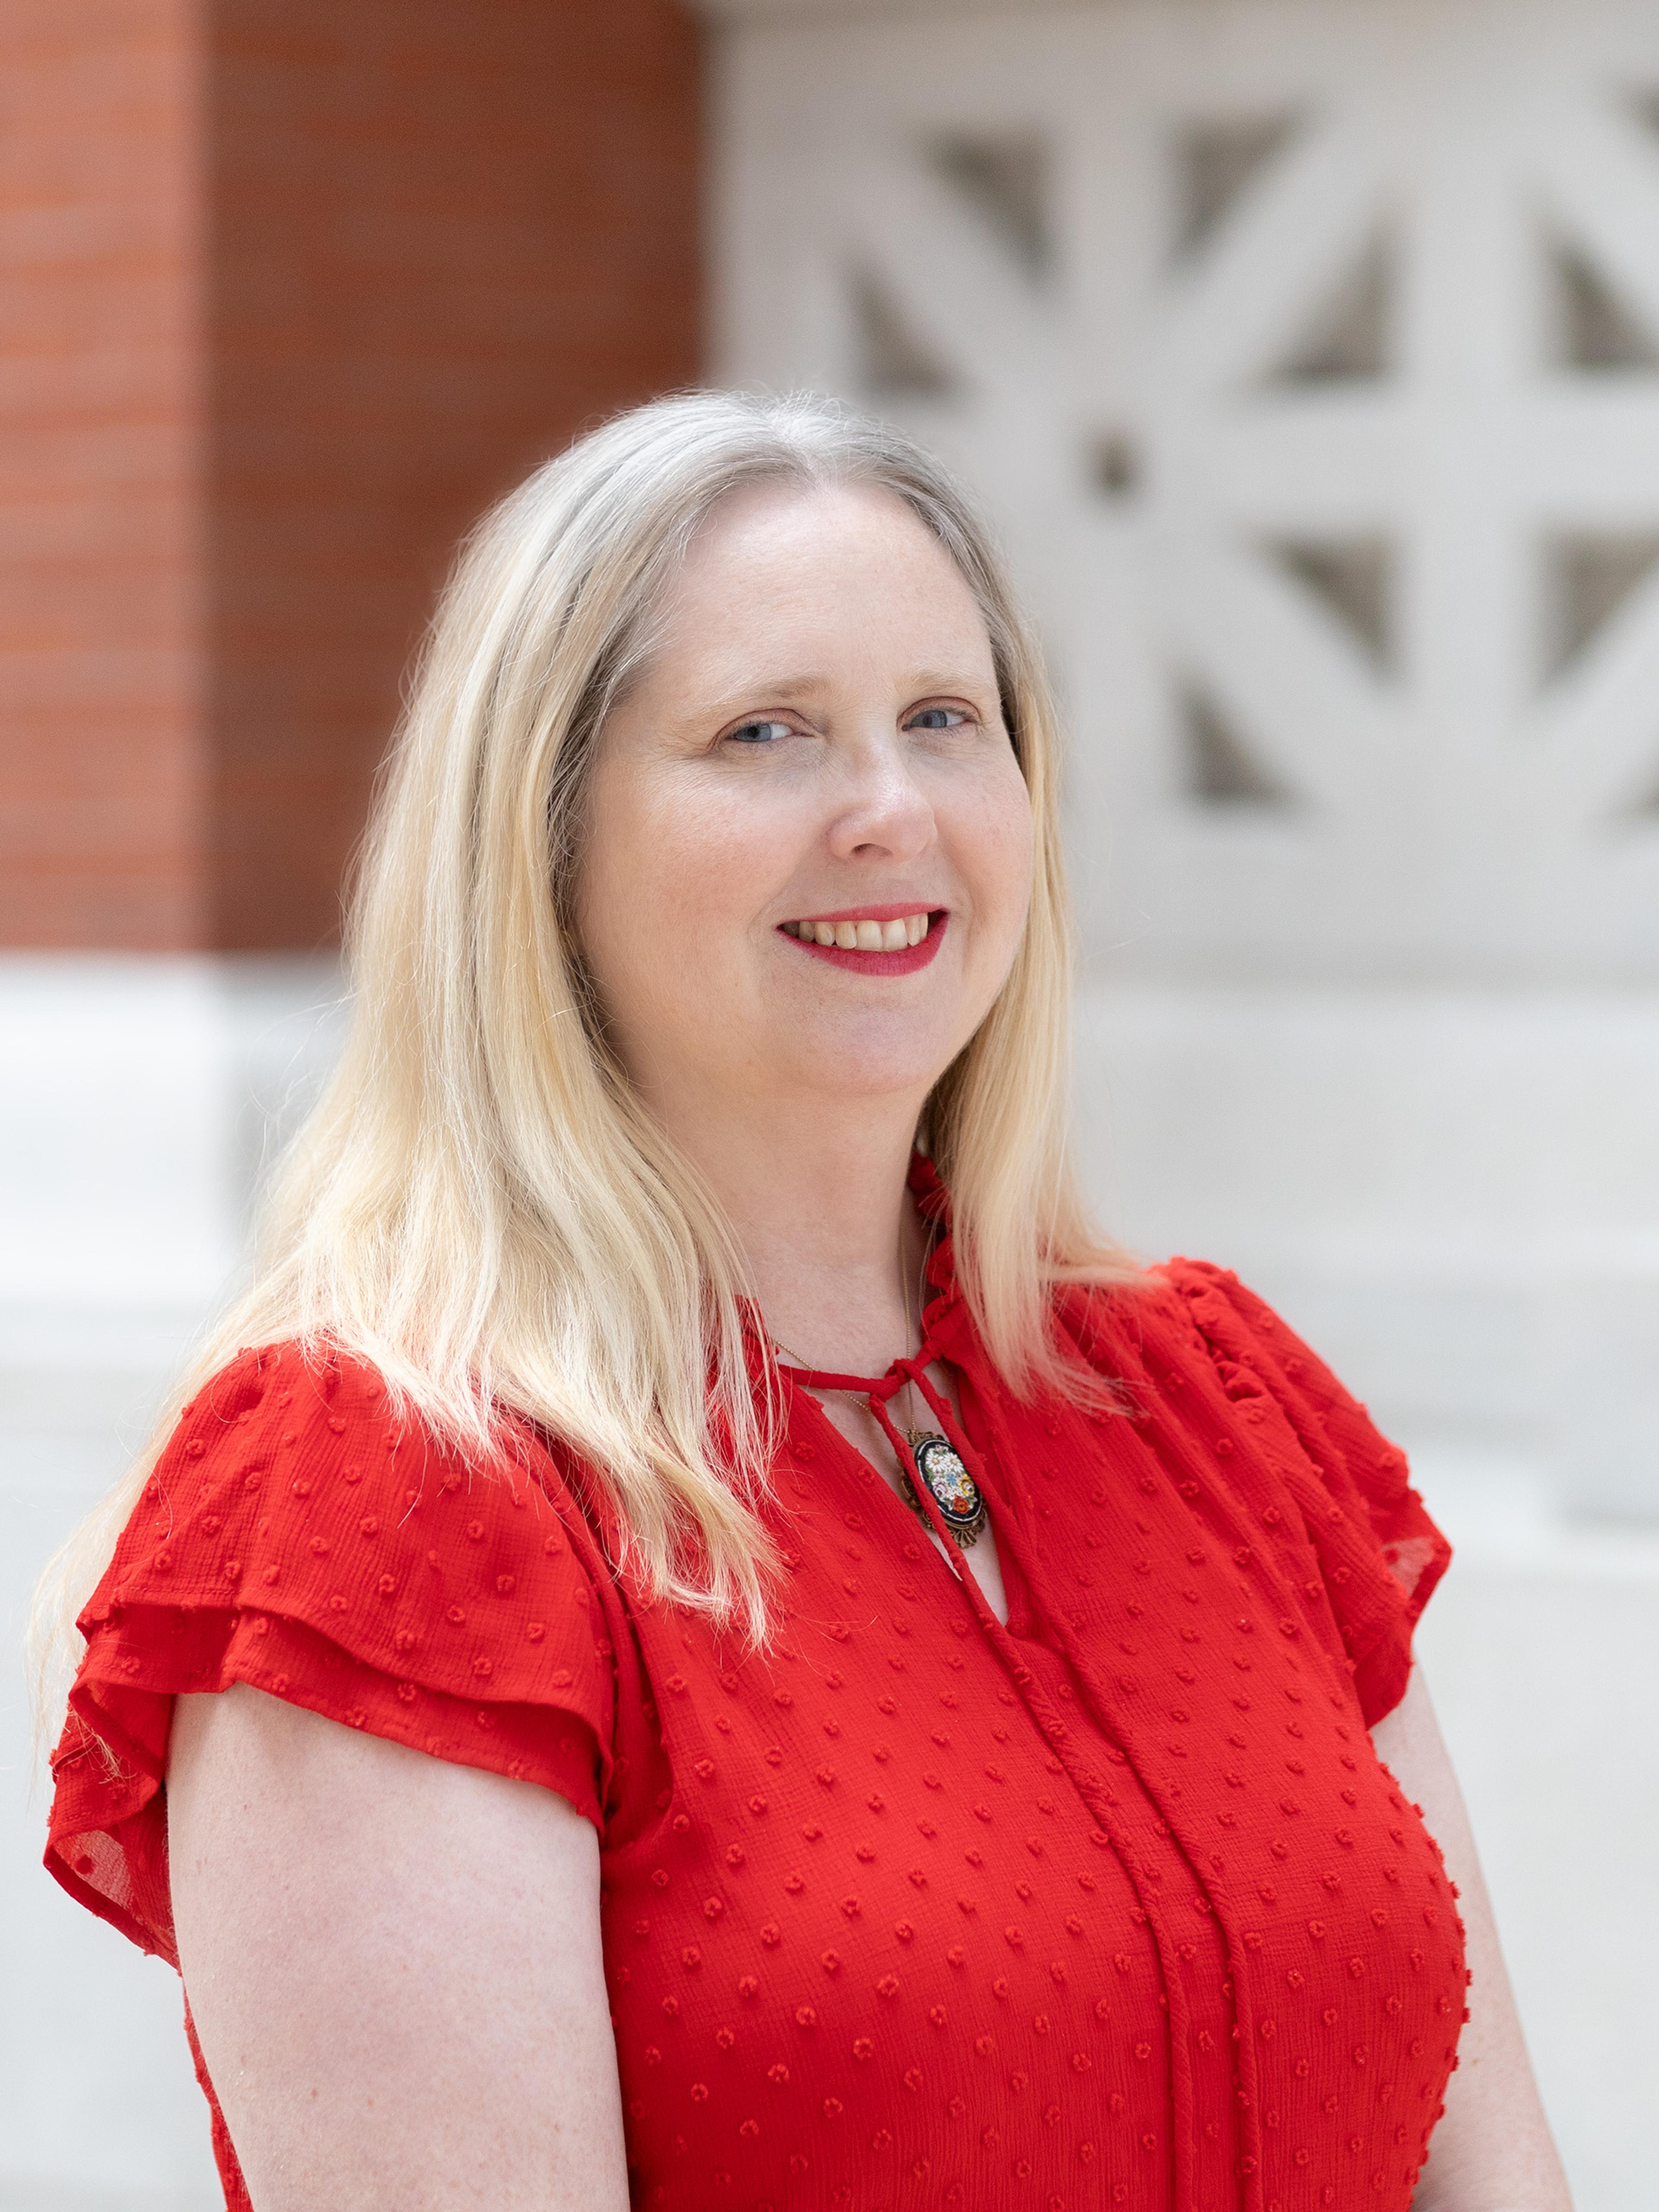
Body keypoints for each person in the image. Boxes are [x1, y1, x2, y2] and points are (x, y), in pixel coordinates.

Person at [38, 392, 1570, 2212]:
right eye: (766, 732)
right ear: (540, 840)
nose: (890, 811)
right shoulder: (393, 1503)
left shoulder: (1212, 1397)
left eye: (946, 719)